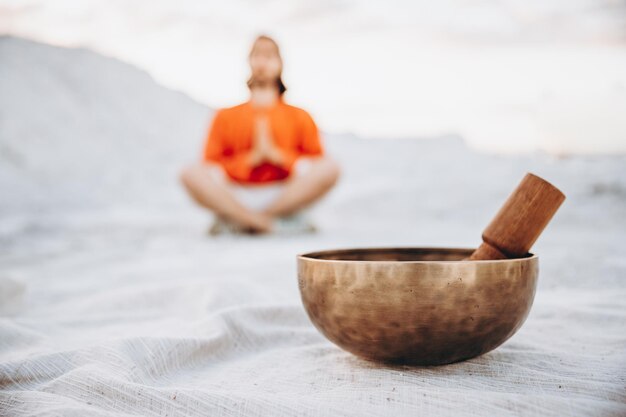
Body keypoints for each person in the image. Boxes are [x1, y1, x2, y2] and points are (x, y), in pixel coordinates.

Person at [180, 34, 340, 234]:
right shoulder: (226, 116)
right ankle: (255, 221)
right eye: (257, 55)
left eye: (269, 55)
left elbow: (315, 163)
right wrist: (251, 160)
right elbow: (210, 163)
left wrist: (277, 156)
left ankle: (255, 220)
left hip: (284, 194)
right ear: (249, 61)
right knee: (190, 173)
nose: (262, 61)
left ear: (280, 64)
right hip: (236, 194)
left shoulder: (300, 116)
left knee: (331, 167)